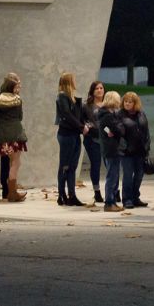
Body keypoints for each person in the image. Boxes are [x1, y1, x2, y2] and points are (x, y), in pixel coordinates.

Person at [0, 74, 28, 203]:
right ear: (12, 87)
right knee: (15, 163)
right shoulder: (17, 100)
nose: (18, 88)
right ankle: (12, 193)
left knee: (10, 162)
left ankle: (11, 191)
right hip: (16, 134)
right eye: (17, 86)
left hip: (3, 136)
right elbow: (20, 117)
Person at [55, 73, 87, 207]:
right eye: (73, 79)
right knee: (65, 165)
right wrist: (81, 127)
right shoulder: (62, 96)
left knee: (72, 166)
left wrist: (83, 125)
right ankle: (61, 195)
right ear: (69, 81)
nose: (75, 81)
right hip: (66, 135)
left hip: (74, 135)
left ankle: (72, 195)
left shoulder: (72, 98)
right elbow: (67, 115)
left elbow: (77, 115)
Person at [119, 92, 150, 210]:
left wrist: (147, 146)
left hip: (140, 150)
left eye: (130, 102)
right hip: (127, 152)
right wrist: (123, 145)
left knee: (139, 175)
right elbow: (112, 129)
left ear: (135, 103)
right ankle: (127, 199)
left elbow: (146, 131)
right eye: (125, 101)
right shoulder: (120, 114)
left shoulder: (141, 114)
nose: (127, 103)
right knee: (127, 175)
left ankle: (135, 197)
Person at [97, 91, 125, 212]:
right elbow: (119, 130)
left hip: (111, 147)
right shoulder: (108, 116)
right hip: (111, 149)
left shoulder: (107, 114)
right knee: (112, 176)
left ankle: (112, 200)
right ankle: (109, 202)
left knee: (114, 175)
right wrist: (120, 126)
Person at [81, 81, 105, 203]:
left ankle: (115, 191)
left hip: (107, 140)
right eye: (97, 88)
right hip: (92, 139)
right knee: (96, 165)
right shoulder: (87, 106)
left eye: (101, 88)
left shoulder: (107, 104)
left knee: (111, 165)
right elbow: (82, 120)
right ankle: (97, 192)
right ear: (92, 91)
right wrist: (87, 126)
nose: (100, 90)